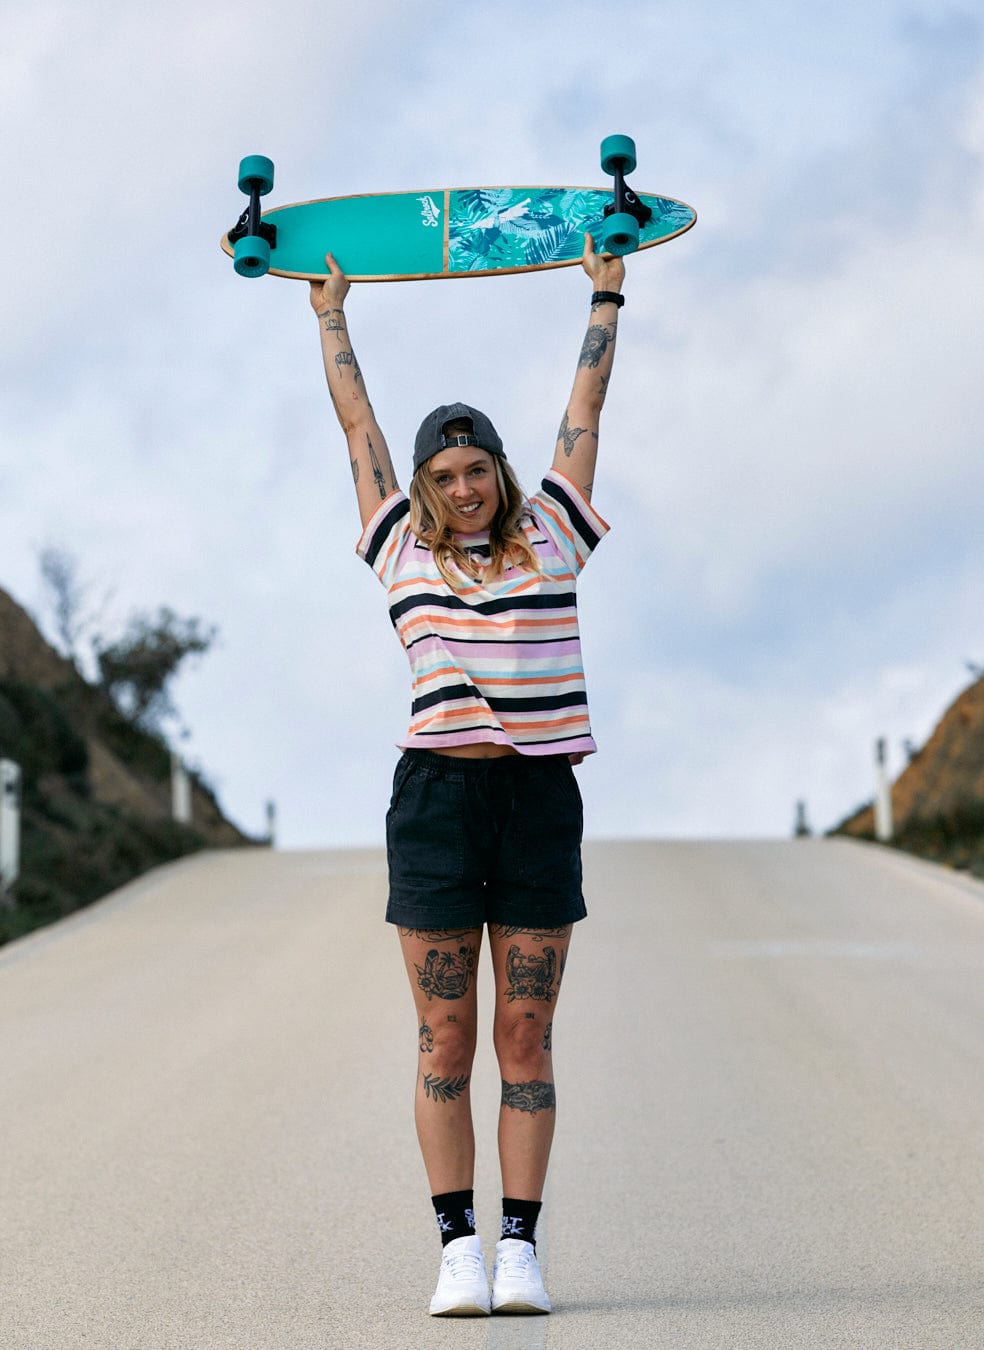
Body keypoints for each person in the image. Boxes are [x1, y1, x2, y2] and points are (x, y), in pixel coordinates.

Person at [309, 234, 624, 1316]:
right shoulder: (398, 541)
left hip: (538, 801)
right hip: (436, 803)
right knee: (444, 1033)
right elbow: (358, 427)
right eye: (442, 476)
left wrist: (607, 297)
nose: (461, 488)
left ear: (499, 470)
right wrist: (331, 316)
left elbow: (584, 416)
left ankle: (521, 1248)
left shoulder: (553, 535)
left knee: (524, 1032)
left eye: (475, 470)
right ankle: (455, 1246)